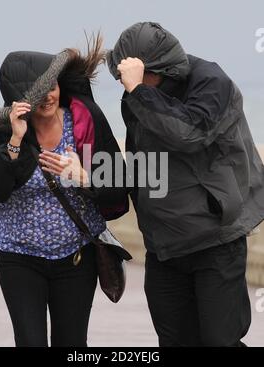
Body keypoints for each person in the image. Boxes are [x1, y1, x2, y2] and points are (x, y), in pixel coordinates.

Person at [107, 21, 264, 347]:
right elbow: (144, 165)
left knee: (220, 341)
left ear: (162, 69)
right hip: (164, 246)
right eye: (123, 78)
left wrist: (140, 91)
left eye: (133, 76)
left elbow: (189, 134)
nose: (127, 84)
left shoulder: (211, 83)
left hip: (216, 239)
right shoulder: (137, 97)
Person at [0, 34, 128, 347]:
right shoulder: (0, 131)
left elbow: (118, 189)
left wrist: (85, 178)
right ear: (20, 99)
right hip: (19, 257)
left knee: (71, 344)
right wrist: (15, 143)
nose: (48, 97)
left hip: (76, 256)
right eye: (38, 93)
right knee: (30, 341)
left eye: (52, 87)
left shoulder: (86, 121)